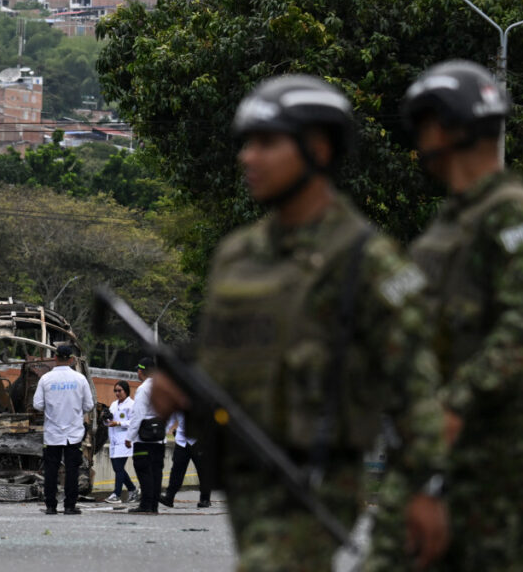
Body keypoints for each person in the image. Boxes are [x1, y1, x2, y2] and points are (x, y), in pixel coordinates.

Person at [150, 74, 450, 571]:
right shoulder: (236, 255)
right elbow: (219, 360)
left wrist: (427, 490)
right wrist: (177, 385)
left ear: (318, 149)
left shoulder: (365, 261)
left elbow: (416, 391)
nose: (248, 157)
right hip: (243, 478)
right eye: (246, 144)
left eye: (266, 143)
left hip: (315, 478)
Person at [402, 60, 523, 572]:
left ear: (453, 128)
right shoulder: (451, 223)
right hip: (441, 458)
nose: (420, 137)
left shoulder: (510, 212)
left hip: (493, 462)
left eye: (426, 123)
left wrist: (454, 405)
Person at [33, 343, 95, 515]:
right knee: (71, 470)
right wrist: (75, 411)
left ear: (55, 358)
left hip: (52, 433)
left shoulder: (45, 379)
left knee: (51, 470)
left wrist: (52, 409)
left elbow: (37, 404)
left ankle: (51, 506)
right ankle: (69, 505)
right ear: (72, 359)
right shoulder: (80, 379)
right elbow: (89, 405)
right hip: (73, 433)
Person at [124, 357, 165, 514]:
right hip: (159, 438)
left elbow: (138, 415)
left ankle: (145, 505)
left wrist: (129, 437)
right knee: (156, 472)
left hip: (144, 439)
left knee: (144, 470)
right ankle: (153, 506)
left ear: (140, 371)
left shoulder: (143, 389)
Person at [159, 411, 211, 509]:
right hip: (181, 442)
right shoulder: (178, 401)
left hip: (198, 441)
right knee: (176, 471)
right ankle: (169, 498)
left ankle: (205, 498)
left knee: (203, 471)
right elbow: (171, 419)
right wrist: (162, 434)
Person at [104, 380, 138, 504]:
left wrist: (118, 423)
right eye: (115, 391)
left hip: (125, 439)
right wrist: (106, 418)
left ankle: (116, 494)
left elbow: (133, 422)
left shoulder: (132, 405)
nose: (117, 393)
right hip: (114, 439)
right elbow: (109, 421)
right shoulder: (113, 404)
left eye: (120, 391)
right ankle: (132, 490)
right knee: (117, 467)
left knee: (119, 467)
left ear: (126, 390)